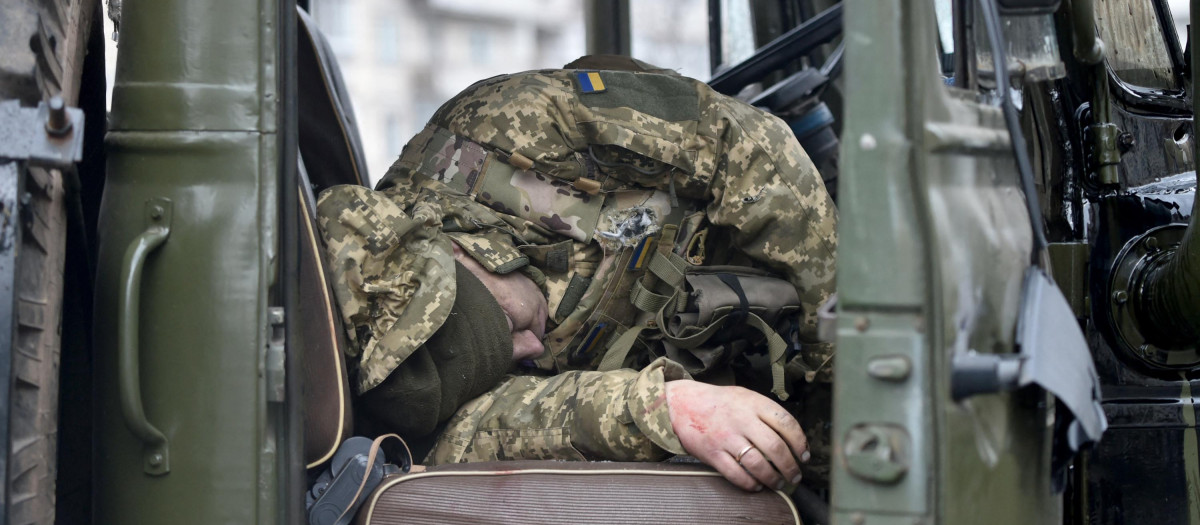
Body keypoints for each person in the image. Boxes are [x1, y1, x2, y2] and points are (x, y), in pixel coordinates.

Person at [316, 55, 837, 493]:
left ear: (465, 253)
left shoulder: (504, 128)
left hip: (815, 273)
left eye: (507, 324)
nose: (530, 350)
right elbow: (545, 418)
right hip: (741, 362)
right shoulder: (417, 392)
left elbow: (748, 146)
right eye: (506, 365)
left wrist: (843, 348)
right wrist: (672, 406)